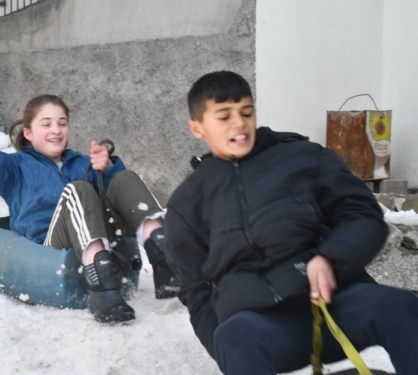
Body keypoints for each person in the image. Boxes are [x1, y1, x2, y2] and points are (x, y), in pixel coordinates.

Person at [165, 70, 418, 374]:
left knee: (398, 306)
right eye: (224, 116)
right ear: (197, 128)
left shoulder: (305, 158)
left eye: (247, 112)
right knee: (233, 337)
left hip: (336, 304)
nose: (239, 123)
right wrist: (223, 348)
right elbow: (195, 288)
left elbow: (362, 215)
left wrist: (329, 258)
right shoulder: (186, 203)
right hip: (266, 327)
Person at [0, 73, 179, 323]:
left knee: (126, 178)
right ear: (28, 133)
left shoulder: (82, 163)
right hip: (52, 244)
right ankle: (102, 288)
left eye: (62, 123)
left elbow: (122, 199)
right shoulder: (15, 169)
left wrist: (108, 168)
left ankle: (165, 258)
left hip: (103, 234)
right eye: (46, 124)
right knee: (79, 190)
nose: (56, 130)